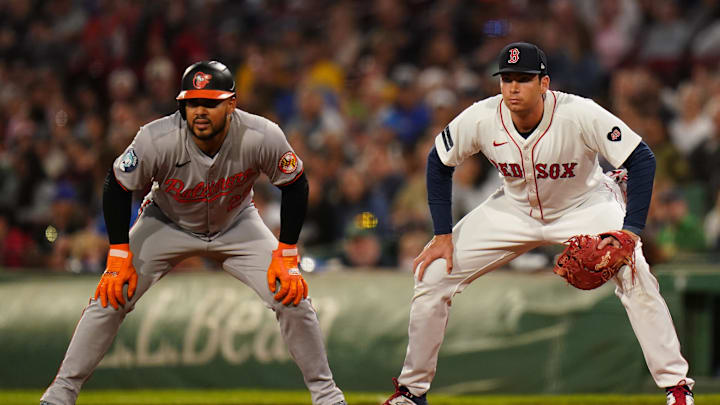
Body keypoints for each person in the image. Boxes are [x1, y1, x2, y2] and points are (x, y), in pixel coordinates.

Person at [382, 43, 694, 405]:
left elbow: (642, 158)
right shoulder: (482, 117)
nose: (513, 87)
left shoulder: (579, 113)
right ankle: (411, 392)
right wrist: (442, 234)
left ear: (544, 83)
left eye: (524, 79)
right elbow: (439, 161)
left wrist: (630, 232)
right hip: (513, 211)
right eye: (507, 79)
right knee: (434, 273)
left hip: (585, 206)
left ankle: (677, 387)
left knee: (633, 269)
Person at [40, 61, 347, 405]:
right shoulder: (157, 137)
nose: (200, 111)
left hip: (237, 223)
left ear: (231, 104)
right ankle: (60, 393)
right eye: (191, 102)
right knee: (111, 294)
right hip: (166, 222)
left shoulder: (262, 134)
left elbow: (295, 184)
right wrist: (118, 253)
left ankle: (327, 396)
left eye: (210, 103)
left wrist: (287, 253)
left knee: (292, 295)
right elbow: (116, 185)